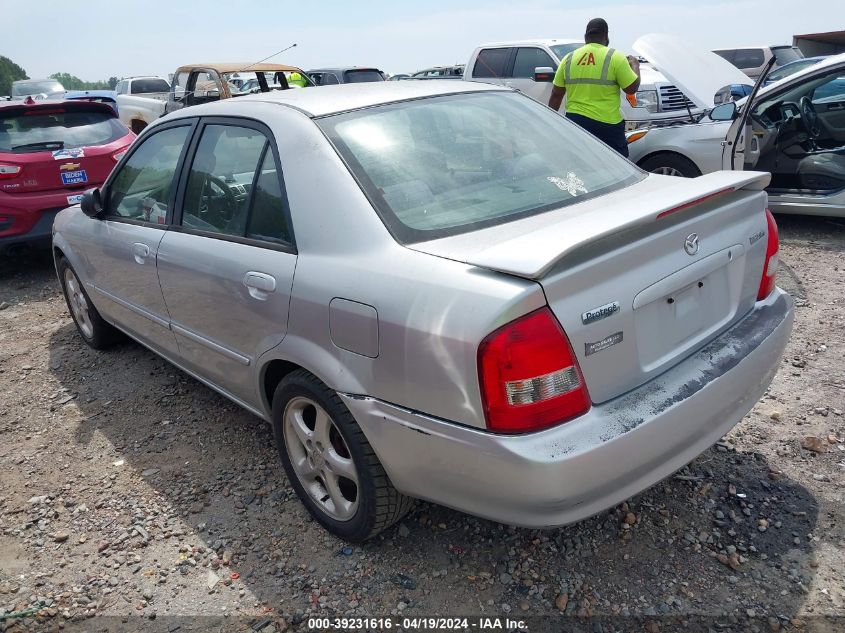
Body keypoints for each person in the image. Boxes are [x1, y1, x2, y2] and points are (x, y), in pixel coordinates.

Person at [548, 18, 641, 156]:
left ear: (586, 37)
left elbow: (556, 94)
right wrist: (635, 65)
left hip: (576, 123)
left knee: (582, 166)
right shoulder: (615, 57)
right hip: (607, 126)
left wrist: (550, 122)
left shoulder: (568, 58)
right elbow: (631, 88)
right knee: (617, 167)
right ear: (606, 37)